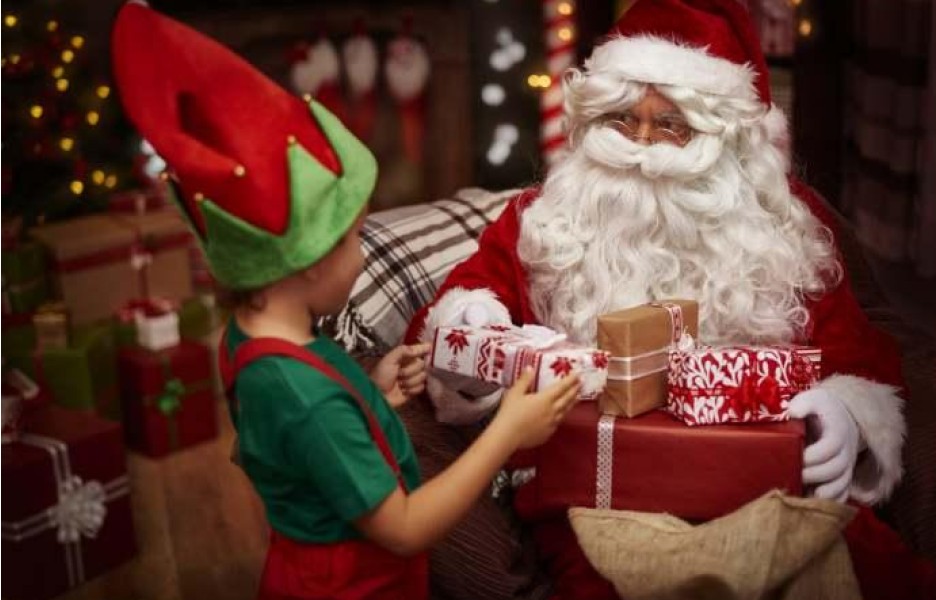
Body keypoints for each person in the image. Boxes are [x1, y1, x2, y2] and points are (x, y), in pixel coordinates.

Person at [406, 0, 934, 598]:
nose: (641, 146)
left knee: (864, 569)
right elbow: (453, 309)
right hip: (597, 499)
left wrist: (847, 414)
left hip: (768, 487)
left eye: (671, 125)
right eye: (621, 120)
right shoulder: (543, 221)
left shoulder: (787, 231)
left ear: (727, 140)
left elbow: (861, 351)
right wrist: (475, 329)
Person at [110, 3, 581, 599]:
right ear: (306, 264)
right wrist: (506, 433)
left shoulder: (257, 337)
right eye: (355, 238)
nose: (365, 254)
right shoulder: (305, 397)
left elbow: (310, 449)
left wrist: (375, 389)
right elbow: (406, 529)